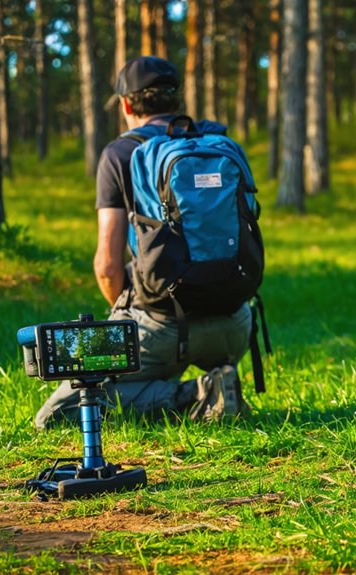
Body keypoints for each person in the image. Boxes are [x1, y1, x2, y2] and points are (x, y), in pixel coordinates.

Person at [35, 56, 252, 429]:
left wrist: (128, 317)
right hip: (234, 325)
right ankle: (221, 378)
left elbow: (106, 266)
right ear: (175, 101)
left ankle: (195, 394)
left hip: (162, 325)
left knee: (58, 412)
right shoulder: (218, 143)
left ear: (127, 104)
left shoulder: (120, 154)